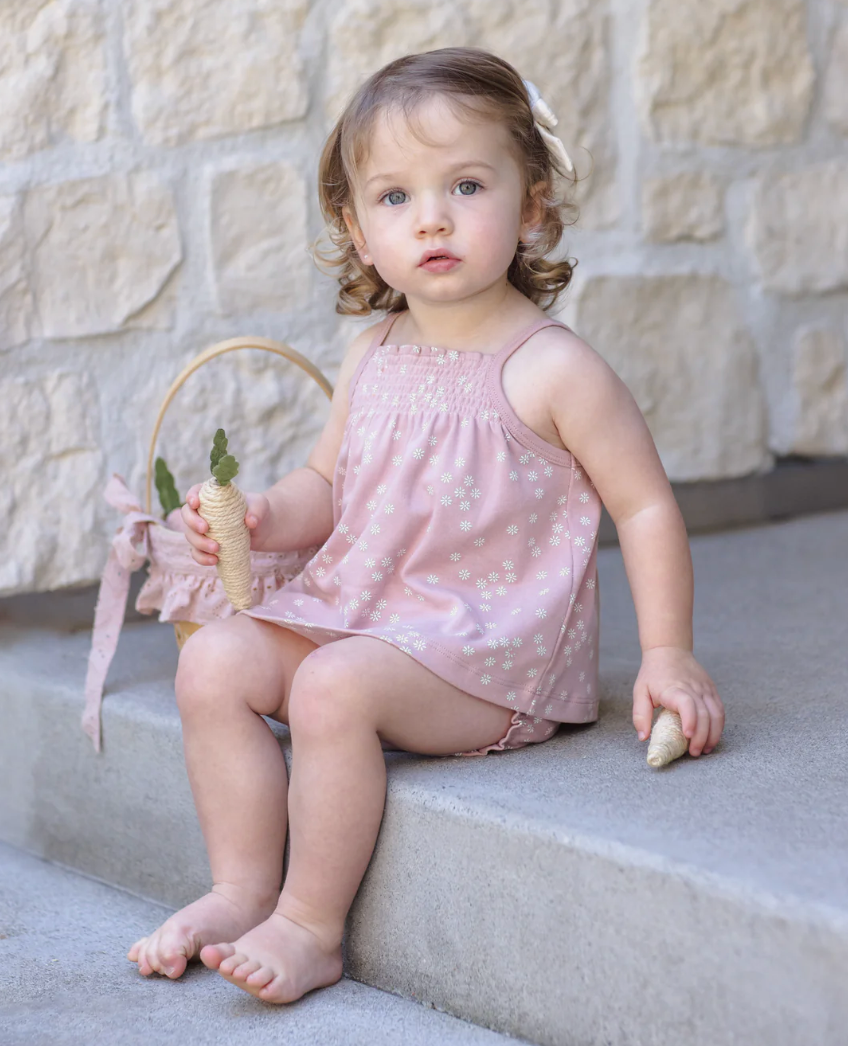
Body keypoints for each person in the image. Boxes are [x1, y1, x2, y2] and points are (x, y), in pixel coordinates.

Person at [128, 46, 725, 1003]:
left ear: (531, 208)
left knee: (330, 688)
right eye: (395, 197)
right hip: (370, 616)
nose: (432, 217)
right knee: (215, 663)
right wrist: (267, 516)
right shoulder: (373, 354)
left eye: (467, 186)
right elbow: (328, 482)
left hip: (489, 655)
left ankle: (310, 925)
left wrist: (669, 654)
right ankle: (241, 888)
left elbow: (646, 505)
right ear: (360, 232)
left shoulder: (552, 369)